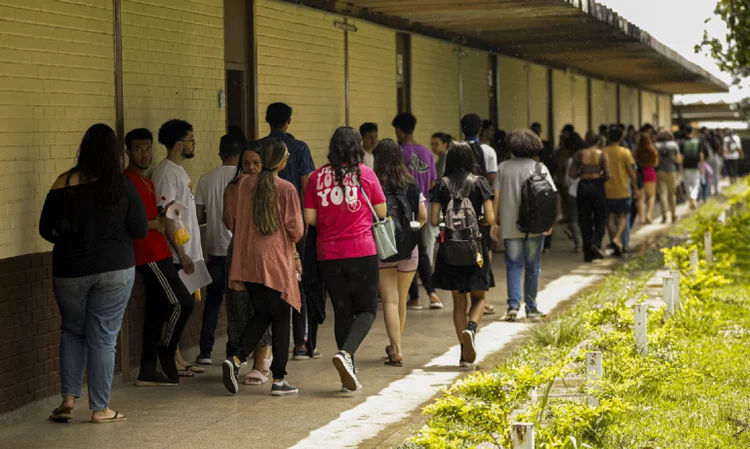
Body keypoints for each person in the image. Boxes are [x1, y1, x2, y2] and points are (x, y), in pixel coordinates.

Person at [41, 124, 147, 423]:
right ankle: (101, 409)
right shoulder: (122, 184)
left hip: (69, 269)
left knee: (73, 331)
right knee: (103, 338)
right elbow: (139, 229)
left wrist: (72, 239)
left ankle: (68, 399)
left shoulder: (63, 182)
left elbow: (45, 229)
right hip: (115, 268)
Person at [304, 127, 386, 391]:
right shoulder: (366, 173)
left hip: (328, 254)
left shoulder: (316, 177)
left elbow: (310, 219)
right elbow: (381, 211)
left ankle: (346, 371)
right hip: (361, 251)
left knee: (342, 311)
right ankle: (347, 354)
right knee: (367, 310)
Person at [221, 138, 304, 396]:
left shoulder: (244, 183)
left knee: (263, 314)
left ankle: (235, 359)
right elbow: (296, 230)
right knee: (280, 318)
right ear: (280, 161)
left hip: (248, 260)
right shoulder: (286, 188)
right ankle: (278, 379)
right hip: (275, 260)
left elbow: (233, 219)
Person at [123, 128, 194, 386]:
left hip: (162, 250)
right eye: (138, 149)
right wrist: (156, 223)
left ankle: (147, 369)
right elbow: (130, 221)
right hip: (147, 254)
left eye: (147, 148)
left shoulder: (147, 181)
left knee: (157, 309)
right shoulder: (127, 181)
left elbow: (157, 217)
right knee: (182, 303)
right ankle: (167, 350)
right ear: (128, 151)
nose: (144, 154)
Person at [431, 142, 495, 368]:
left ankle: (462, 353)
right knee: (479, 298)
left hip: (451, 251)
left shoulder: (441, 185)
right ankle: (472, 329)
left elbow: (433, 220)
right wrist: (474, 222)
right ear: (470, 160)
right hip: (475, 249)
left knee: (459, 302)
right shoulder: (480, 183)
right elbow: (489, 218)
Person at [151, 119, 204, 376]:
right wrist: (181, 252)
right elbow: (169, 214)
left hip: (187, 251)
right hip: (175, 254)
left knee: (184, 307)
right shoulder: (165, 172)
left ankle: (179, 355)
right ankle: (170, 355)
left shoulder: (179, 171)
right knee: (176, 306)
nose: (194, 143)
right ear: (179, 143)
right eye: (191, 139)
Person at [264, 103, 316, 360]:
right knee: (298, 281)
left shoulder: (258, 147)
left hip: (264, 226)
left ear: (267, 120)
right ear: (289, 121)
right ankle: (300, 344)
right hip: (294, 224)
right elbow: (307, 187)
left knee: (266, 284)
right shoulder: (300, 148)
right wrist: (305, 223)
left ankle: (265, 348)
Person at [222, 141, 274, 386]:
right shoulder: (234, 187)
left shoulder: (272, 187)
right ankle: (241, 354)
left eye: (256, 163)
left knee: (261, 306)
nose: (251, 168)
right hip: (238, 251)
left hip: (264, 253)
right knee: (239, 306)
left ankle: (261, 362)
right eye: (246, 163)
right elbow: (228, 222)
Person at [374, 139, 428, 366]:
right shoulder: (412, 184)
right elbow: (423, 215)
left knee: (389, 301)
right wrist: (409, 235)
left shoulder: (374, 183)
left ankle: (395, 348)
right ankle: (396, 344)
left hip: (384, 249)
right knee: (402, 300)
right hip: (408, 250)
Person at [194, 133, 244, 365]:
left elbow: (199, 216)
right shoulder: (244, 177)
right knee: (237, 304)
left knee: (213, 301)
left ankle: (205, 351)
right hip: (240, 251)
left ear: (220, 153)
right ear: (241, 154)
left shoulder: (206, 179)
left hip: (214, 248)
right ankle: (233, 352)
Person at [494, 129, 554, 320]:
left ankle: (513, 305)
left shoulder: (503, 167)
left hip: (511, 225)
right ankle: (531, 307)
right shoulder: (540, 168)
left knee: (513, 265)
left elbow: (496, 196)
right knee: (532, 265)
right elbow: (550, 196)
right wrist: (549, 222)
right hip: (535, 226)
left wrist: (495, 222)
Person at [392, 112, 442, 310]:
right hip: (423, 209)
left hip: (404, 211)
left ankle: (415, 297)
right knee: (421, 252)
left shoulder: (399, 153)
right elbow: (432, 183)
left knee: (407, 253)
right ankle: (432, 293)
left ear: (399, 130)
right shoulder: (427, 153)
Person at [461, 113, 499, 314]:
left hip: (458, 208)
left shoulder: (456, 149)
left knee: (461, 247)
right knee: (482, 250)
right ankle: (481, 297)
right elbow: (492, 178)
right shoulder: (488, 151)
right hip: (481, 207)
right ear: (480, 130)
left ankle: (465, 297)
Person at [569, 132, 610, 262]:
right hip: (598, 185)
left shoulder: (579, 154)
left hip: (584, 185)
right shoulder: (602, 154)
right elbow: (607, 174)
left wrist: (583, 171)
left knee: (584, 219)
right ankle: (596, 242)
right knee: (601, 216)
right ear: (598, 141)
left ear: (585, 141)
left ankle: (587, 253)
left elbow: (572, 174)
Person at [602, 126, 638, 256]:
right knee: (623, 216)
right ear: (621, 137)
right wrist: (635, 187)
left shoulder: (603, 151)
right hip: (622, 189)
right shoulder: (625, 152)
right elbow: (631, 172)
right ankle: (617, 239)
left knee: (609, 217)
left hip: (607, 189)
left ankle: (614, 241)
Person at [531, 122, 558, 253]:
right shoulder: (545, 145)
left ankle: (542, 244)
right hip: (545, 183)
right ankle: (545, 244)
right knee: (545, 213)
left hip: (534, 184)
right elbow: (553, 162)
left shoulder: (528, 147)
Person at [428, 132, 452, 268]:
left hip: (440, 201)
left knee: (432, 235)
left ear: (445, 144)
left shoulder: (445, 159)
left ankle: (431, 266)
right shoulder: (441, 159)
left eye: (436, 144)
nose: (433, 147)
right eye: (432, 144)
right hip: (443, 201)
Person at [654, 128, 681, 224]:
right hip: (672, 171)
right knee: (672, 194)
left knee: (662, 194)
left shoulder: (656, 145)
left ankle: (664, 216)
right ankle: (673, 215)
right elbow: (678, 160)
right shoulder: (674, 145)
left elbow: (655, 161)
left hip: (660, 171)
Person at [679, 125, 709, 209]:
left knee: (687, 184)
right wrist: (702, 166)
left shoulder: (682, 142)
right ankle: (693, 197)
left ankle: (690, 199)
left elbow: (681, 156)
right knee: (696, 183)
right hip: (695, 165)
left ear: (685, 132)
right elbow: (701, 155)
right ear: (692, 131)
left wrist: (680, 167)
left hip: (685, 166)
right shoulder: (698, 141)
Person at [634, 134, 659, 224]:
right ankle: (649, 214)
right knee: (651, 196)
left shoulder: (636, 150)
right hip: (650, 172)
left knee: (641, 198)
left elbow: (634, 161)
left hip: (640, 173)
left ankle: (642, 218)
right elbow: (656, 163)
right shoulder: (652, 149)